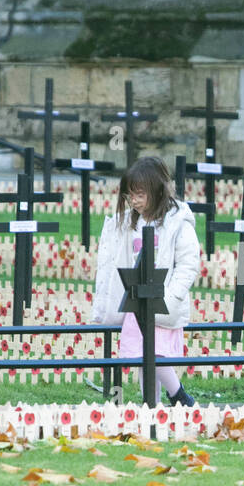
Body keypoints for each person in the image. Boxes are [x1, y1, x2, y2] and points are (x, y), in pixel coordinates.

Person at [90, 155, 200, 406]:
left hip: (163, 299)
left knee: (156, 353)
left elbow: (188, 263)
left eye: (140, 194)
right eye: (130, 195)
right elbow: (117, 259)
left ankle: (179, 396)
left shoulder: (176, 222)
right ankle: (152, 405)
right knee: (142, 356)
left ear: (156, 190)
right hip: (137, 301)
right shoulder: (131, 222)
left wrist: (170, 298)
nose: (134, 201)